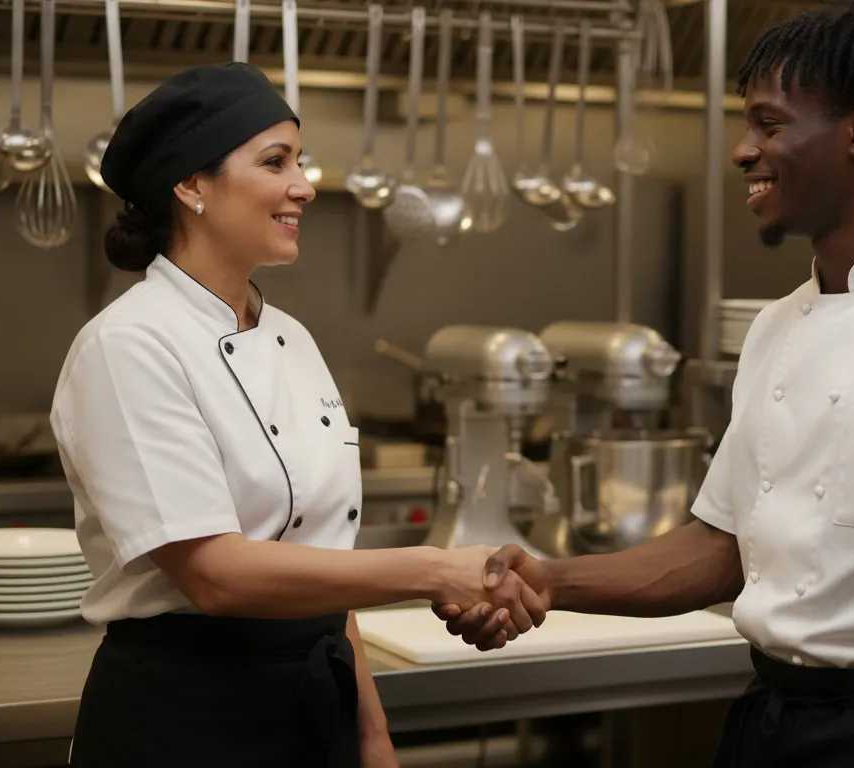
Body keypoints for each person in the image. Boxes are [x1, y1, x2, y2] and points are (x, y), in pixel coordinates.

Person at [437, 5, 854, 767]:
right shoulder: (776, 327)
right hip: (774, 722)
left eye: (770, 125)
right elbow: (722, 546)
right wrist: (547, 580)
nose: (744, 151)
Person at [50, 62, 544, 768]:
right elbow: (216, 575)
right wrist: (435, 570)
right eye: (275, 161)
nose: (306, 186)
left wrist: (373, 737)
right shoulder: (129, 345)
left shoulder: (292, 338)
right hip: (186, 717)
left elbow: (321, 566)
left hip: (316, 708)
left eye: (300, 161)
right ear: (191, 185)